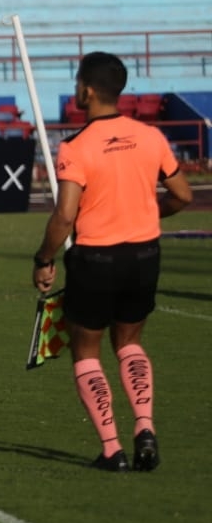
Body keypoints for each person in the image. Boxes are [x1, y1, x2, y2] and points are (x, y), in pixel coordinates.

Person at [32, 51, 191, 472]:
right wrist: (143, 211)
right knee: (130, 344)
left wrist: (44, 258)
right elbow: (184, 195)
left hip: (96, 259)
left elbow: (65, 214)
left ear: (86, 89)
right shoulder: (151, 137)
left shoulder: (76, 146)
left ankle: (111, 449)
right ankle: (145, 427)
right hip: (144, 256)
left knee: (87, 352)